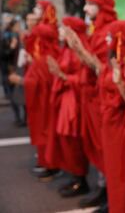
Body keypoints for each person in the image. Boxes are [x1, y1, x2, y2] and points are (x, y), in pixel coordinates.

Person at [65, 0, 117, 211]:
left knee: (105, 149)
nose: (85, 9)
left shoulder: (109, 32)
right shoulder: (97, 31)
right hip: (92, 98)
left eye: (90, 4)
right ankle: (102, 189)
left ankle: (108, 194)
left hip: (103, 99)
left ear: (102, 7)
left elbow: (100, 67)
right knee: (95, 146)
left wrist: (78, 48)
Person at [98, 20, 125, 213]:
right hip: (110, 123)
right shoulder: (114, 57)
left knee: (121, 172)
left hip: (121, 126)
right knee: (113, 170)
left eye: (110, 35)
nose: (106, 39)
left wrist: (121, 84)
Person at [45, 17, 90, 197]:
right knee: (66, 141)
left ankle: (80, 179)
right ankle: (75, 176)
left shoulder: (78, 52)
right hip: (66, 99)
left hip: (73, 101)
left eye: (64, 28)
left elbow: (83, 79)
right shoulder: (66, 50)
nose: (60, 31)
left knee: (73, 141)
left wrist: (62, 76)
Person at [9, 23, 60, 179]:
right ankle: (47, 163)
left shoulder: (45, 58)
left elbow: (38, 81)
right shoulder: (46, 56)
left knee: (46, 134)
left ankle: (51, 165)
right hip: (43, 103)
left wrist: (19, 80)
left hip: (44, 104)